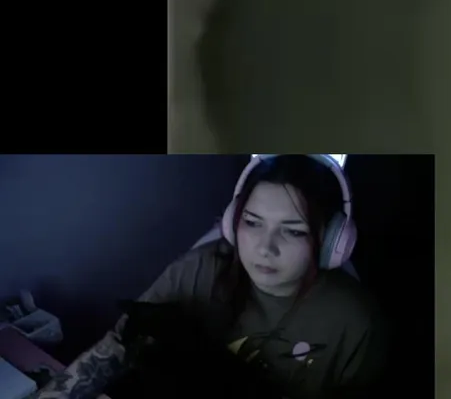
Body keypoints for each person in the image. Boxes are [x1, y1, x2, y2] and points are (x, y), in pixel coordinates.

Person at [35, 154, 387, 399]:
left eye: (293, 231)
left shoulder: (355, 322)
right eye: (252, 223)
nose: (265, 247)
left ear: (330, 242)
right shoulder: (200, 269)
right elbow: (120, 343)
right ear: (233, 223)